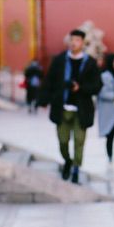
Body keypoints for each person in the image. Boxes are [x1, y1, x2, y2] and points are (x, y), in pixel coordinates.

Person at [38, 28, 101, 184]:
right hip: (62, 108)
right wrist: (44, 100)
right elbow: (49, 80)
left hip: (82, 109)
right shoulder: (59, 60)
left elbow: (97, 85)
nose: (74, 43)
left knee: (79, 141)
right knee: (63, 141)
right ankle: (67, 160)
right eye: (72, 40)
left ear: (83, 43)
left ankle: (76, 169)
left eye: (77, 40)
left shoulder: (90, 63)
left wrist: (81, 88)